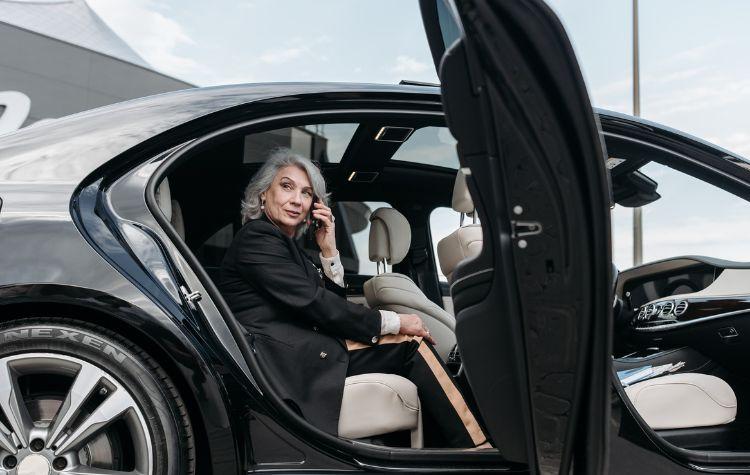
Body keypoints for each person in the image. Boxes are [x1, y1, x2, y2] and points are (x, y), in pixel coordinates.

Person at [219, 148, 490, 448]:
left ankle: (438, 453)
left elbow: (326, 301)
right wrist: (394, 321)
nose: (296, 199)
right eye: (286, 186)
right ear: (262, 194)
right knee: (410, 344)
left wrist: (329, 249)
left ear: (314, 206)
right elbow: (315, 304)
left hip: (304, 350)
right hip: (286, 363)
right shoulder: (258, 238)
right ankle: (477, 448)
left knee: (407, 345)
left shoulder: (285, 246)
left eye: (307, 193)